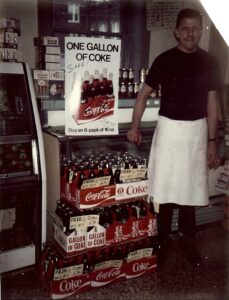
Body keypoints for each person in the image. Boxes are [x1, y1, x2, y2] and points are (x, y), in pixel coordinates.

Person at [127, 8, 222, 267]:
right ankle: (163, 243)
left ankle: (188, 242)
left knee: (191, 191)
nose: (191, 33)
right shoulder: (164, 60)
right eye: (185, 28)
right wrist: (134, 126)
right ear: (176, 32)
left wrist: (212, 141)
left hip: (196, 132)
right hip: (169, 131)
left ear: (200, 31)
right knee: (166, 190)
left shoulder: (210, 61)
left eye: (196, 28)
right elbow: (142, 95)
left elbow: (213, 103)